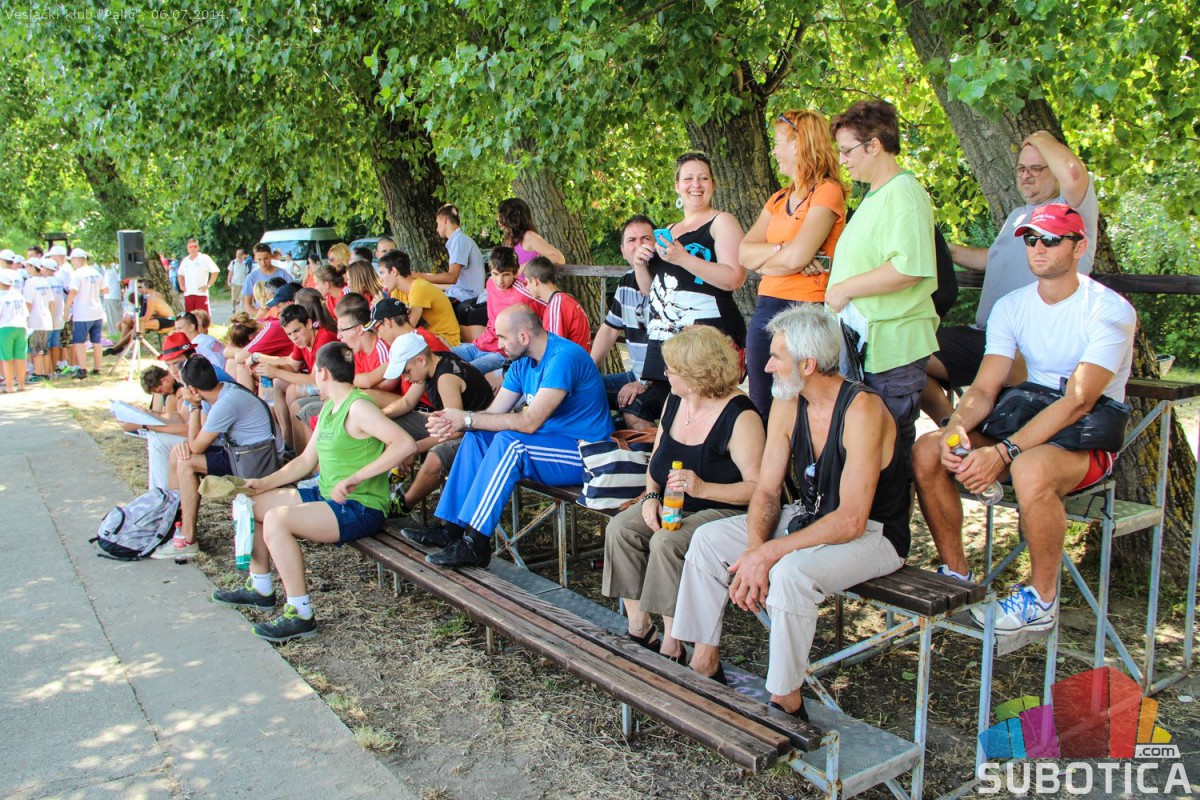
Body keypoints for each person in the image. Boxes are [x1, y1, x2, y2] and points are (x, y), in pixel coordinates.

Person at [672, 305, 910, 720]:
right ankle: (704, 664)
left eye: (776, 357)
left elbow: (852, 519)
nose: (766, 366)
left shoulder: (862, 410)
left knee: (789, 574)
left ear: (808, 364)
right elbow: (766, 491)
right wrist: (754, 549)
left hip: (875, 534)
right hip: (810, 516)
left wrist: (769, 555)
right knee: (708, 540)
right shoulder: (788, 402)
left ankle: (786, 702)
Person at [912, 204, 1136, 634]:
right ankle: (957, 578)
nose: (1038, 248)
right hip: (1025, 421)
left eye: (1051, 239)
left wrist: (1003, 453)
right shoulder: (1012, 306)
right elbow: (984, 388)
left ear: (1079, 247)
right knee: (928, 450)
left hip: (1084, 436)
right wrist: (956, 426)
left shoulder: (1109, 309)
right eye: (1032, 240)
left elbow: (1078, 401)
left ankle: (1041, 598)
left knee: (1029, 468)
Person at [210, 341, 409, 642]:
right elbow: (305, 461)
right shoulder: (330, 406)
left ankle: (300, 614)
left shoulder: (358, 407)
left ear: (323, 373)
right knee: (250, 503)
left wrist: (357, 477)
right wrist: (264, 483)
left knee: (277, 519)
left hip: (361, 507)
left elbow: (404, 444)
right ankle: (261, 587)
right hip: (328, 496)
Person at [402, 305, 612, 567]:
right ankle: (451, 530)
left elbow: (529, 422)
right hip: (548, 446)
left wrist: (466, 418)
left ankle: (476, 544)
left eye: (502, 337)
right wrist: (454, 422)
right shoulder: (522, 362)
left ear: (523, 337)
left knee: (510, 444)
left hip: (586, 453)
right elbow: (493, 414)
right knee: (478, 437)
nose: (498, 344)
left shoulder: (563, 358)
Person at [603, 325, 764, 665]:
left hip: (723, 509)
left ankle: (672, 643)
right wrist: (650, 497)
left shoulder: (741, 415)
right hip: (674, 503)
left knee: (667, 541)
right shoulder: (676, 401)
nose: (664, 375)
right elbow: (657, 460)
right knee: (621, 529)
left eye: (671, 369)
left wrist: (702, 488)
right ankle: (640, 627)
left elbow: (758, 488)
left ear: (696, 375)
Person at [921, 132, 1100, 422]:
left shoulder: (1071, 208)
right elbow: (993, 260)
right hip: (985, 334)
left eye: (1036, 169)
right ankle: (954, 429)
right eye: (1021, 169)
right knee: (907, 353)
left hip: (1032, 343)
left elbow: (1073, 173)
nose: (1026, 176)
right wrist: (948, 251)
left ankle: (973, 435)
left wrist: (1039, 136)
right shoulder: (1018, 216)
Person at [825, 99, 937, 476]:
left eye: (847, 150)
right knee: (868, 454)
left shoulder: (902, 192)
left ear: (874, 145)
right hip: (869, 347)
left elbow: (909, 268)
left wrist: (846, 288)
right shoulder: (877, 193)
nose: (843, 160)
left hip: (891, 350)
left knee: (887, 461)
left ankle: (893, 519)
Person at [740, 110, 848, 416]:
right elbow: (744, 254)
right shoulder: (777, 199)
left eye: (777, 143)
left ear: (799, 143)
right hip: (767, 306)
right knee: (762, 400)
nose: (773, 151)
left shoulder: (827, 192)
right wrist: (783, 250)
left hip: (806, 308)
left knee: (800, 402)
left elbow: (797, 258)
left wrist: (773, 260)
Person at [634, 152, 747, 430]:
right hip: (666, 338)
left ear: (713, 184)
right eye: (688, 178)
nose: (695, 185)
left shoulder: (722, 221)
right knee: (671, 414)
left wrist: (683, 258)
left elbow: (735, 277)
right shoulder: (669, 230)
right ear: (677, 186)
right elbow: (650, 290)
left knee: (708, 414)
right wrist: (639, 264)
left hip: (707, 339)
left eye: (703, 178)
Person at [158, 355, 278, 560]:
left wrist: (194, 407)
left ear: (193, 390)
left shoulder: (226, 402)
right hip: (244, 453)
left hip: (254, 461)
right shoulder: (224, 392)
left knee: (186, 463)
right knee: (177, 455)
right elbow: (197, 441)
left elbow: (196, 446)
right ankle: (174, 523)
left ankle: (188, 539)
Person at [381, 331, 494, 517]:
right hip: (449, 425)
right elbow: (407, 402)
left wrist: (412, 448)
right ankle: (386, 485)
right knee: (389, 424)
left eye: (406, 371)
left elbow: (456, 430)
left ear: (420, 360)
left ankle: (403, 506)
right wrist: (378, 417)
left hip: (477, 433)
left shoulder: (445, 378)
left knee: (435, 457)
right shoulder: (431, 364)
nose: (405, 378)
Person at [252, 303, 338, 452]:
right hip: (318, 385)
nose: (294, 337)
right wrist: (270, 369)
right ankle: (287, 439)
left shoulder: (324, 338)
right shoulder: (301, 341)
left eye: (297, 331)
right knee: (278, 383)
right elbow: (292, 366)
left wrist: (276, 372)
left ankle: (299, 451)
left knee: (292, 393)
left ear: (309, 324)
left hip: (331, 386)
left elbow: (314, 380)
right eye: (289, 334)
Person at [590, 216, 652, 421]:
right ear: (623, 250)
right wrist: (588, 370)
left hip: (665, 380)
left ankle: (654, 443)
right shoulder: (626, 281)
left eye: (646, 239)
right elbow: (609, 329)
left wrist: (644, 383)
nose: (639, 245)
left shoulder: (668, 280)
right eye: (631, 240)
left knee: (633, 410)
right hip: (636, 374)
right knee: (578, 390)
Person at [451, 247, 540, 376]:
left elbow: (549, 305)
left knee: (463, 373)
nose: (500, 281)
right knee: (440, 356)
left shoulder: (524, 293)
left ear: (515, 273)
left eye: (506, 275)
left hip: (503, 353)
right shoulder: (490, 283)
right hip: (481, 344)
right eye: (495, 274)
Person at [379, 249, 459, 346]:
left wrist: (381, 307)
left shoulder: (419, 287)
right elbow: (394, 323)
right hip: (424, 339)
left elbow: (406, 329)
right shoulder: (397, 290)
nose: (380, 279)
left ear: (394, 271)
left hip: (445, 340)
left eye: (382, 273)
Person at [522, 256, 592, 352]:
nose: (527, 287)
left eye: (527, 282)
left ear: (534, 281)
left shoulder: (557, 305)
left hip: (569, 360)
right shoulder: (563, 300)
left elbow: (553, 349)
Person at [428, 204, 486, 309]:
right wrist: (428, 284)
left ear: (444, 220)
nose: (436, 229)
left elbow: (452, 277)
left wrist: (420, 276)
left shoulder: (459, 240)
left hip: (466, 299)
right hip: (463, 296)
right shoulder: (459, 240)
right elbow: (457, 285)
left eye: (437, 223)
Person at [64, 248, 109, 377]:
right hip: (97, 312)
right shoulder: (95, 273)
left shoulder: (77, 274)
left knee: (79, 342)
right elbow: (106, 290)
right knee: (97, 341)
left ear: (78, 259)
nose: (72, 262)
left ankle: (82, 369)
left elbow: (73, 292)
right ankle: (97, 368)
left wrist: (66, 308)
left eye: (73, 259)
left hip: (82, 313)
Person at [497, 197, 566, 270]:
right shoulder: (509, 239)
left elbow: (559, 258)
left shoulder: (529, 237)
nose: (498, 219)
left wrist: (525, 266)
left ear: (513, 218)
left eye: (502, 216)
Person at [106, 283, 175, 355]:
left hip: (169, 320)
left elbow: (146, 318)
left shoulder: (152, 297)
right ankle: (121, 347)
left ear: (146, 288)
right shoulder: (146, 297)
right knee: (126, 324)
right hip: (158, 318)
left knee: (139, 325)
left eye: (141, 287)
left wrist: (135, 320)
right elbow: (148, 314)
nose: (139, 290)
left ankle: (130, 349)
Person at [23, 257, 59, 382]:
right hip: (46, 319)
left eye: (28, 266)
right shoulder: (44, 282)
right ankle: (46, 372)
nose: (26, 268)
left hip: (35, 320)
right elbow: (52, 302)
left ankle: (38, 373)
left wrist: (25, 318)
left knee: (37, 349)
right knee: (44, 348)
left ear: (33, 267)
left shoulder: (30, 282)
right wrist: (52, 318)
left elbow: (28, 303)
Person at [0, 269, 29, 392]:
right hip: (21, 327)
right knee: (20, 357)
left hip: (5, 328)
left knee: (7, 358)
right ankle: (21, 385)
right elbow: (26, 313)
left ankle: (9, 386)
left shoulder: (1, 296)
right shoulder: (18, 295)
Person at [242, 243, 292, 313]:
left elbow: (291, 298)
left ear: (271, 256)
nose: (263, 263)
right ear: (255, 258)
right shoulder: (251, 277)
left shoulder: (283, 274)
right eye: (259, 259)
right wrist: (260, 315)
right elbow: (247, 304)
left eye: (266, 259)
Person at [177, 237, 220, 314]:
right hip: (188, 293)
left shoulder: (204, 258)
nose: (193, 249)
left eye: (195, 246)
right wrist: (181, 285)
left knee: (202, 316)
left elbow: (215, 271)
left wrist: (208, 285)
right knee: (190, 317)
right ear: (187, 248)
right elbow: (180, 274)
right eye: (190, 247)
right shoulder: (185, 260)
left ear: (198, 247)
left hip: (201, 293)